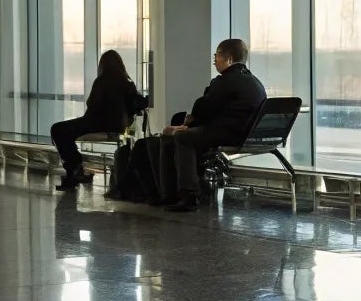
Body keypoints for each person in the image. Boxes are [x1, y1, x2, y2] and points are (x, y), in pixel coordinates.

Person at [144, 38, 265, 213]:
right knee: (186, 136)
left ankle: (187, 195)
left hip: (230, 134)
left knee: (182, 138)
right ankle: (185, 190)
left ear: (228, 58)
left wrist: (185, 127)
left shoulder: (224, 81)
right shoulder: (254, 82)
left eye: (216, 56)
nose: (214, 60)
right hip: (246, 132)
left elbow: (205, 110)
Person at [51, 50, 145, 191]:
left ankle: (75, 167)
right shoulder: (128, 83)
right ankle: (76, 169)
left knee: (58, 129)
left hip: (96, 123)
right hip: (117, 126)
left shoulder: (102, 81)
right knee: (65, 131)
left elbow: (92, 104)